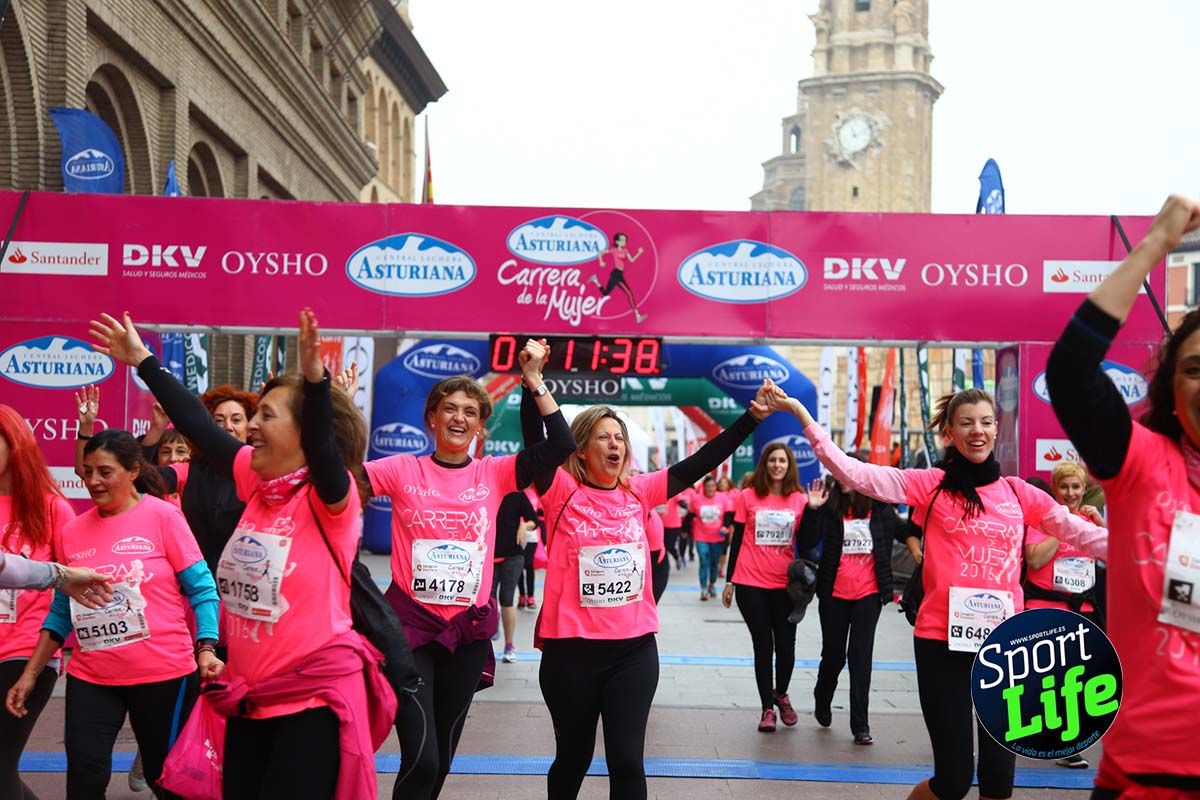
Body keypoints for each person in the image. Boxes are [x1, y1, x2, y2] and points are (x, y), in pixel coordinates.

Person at [91, 309, 396, 799]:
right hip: (248, 698)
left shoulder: (331, 499)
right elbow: (198, 425)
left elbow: (323, 446)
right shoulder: (255, 480)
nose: (251, 424)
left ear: (303, 432)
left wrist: (315, 383)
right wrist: (144, 361)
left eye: (266, 416)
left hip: (312, 704)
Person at [774, 384, 1103, 800]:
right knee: (953, 780)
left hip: (1007, 650)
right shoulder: (929, 485)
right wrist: (802, 414)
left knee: (1000, 783)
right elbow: (855, 473)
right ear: (950, 432)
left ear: (996, 428)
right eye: (966, 423)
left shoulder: (1020, 493)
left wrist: (1157, 548)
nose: (977, 431)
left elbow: (1081, 533)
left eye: (985, 422)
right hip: (941, 642)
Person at [523, 380, 777, 800]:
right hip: (571, 653)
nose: (614, 443)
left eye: (619, 436)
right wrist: (532, 381)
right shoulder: (560, 492)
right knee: (574, 758)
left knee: (627, 761)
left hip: (633, 652)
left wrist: (751, 419)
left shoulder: (639, 492)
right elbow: (536, 441)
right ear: (582, 449)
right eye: (603, 437)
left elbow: (701, 461)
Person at [367, 339, 573, 800]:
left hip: (468, 631)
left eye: (470, 412)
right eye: (449, 409)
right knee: (422, 756)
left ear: (481, 426)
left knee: (442, 753)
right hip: (411, 629)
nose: (459, 418)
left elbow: (562, 443)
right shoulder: (401, 469)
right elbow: (337, 489)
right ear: (432, 418)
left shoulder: (495, 473)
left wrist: (534, 380)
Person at [1046, 195, 1200, 798]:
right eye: (1194, 368)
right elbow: (1072, 375)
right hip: (1149, 772)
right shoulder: (1143, 463)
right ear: (1170, 384)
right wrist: (1157, 241)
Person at [5, 428, 222, 799]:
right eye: (87, 472)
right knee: (85, 779)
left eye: (104, 472)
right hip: (93, 678)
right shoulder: (74, 531)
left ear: (133, 471)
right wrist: (30, 674)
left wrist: (206, 646)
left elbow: (202, 589)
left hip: (164, 675)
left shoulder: (164, 517)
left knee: (165, 778)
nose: (93, 481)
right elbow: (61, 612)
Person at [0, 404, 85, 800]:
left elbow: (73, 584)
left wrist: (43, 662)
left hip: (25, 653)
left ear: (15, 446)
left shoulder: (52, 508)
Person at [800, 459, 900, 745]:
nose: (843, 478)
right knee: (834, 655)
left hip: (869, 594)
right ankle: (822, 697)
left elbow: (903, 532)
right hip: (833, 594)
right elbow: (807, 540)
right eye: (839, 473)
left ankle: (860, 725)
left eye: (848, 472)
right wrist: (812, 509)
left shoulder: (879, 509)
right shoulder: (830, 507)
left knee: (860, 658)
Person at [719, 443, 809, 733]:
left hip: (786, 585)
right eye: (772, 460)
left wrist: (816, 511)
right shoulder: (747, 496)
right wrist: (730, 580)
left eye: (782, 460)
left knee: (786, 648)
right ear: (765, 464)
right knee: (763, 646)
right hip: (749, 582)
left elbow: (808, 542)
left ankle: (780, 693)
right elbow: (738, 538)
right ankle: (767, 709)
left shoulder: (799, 499)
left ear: (789, 465)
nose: (777, 465)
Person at [493, 491, 537, 662]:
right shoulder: (486, 489)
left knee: (507, 599)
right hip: (488, 554)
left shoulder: (517, 495)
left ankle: (509, 646)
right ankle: (488, 636)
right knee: (487, 602)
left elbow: (534, 520)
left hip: (513, 554)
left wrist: (524, 526)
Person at [588, 232, 647, 323]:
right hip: (615, 274)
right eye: (622, 240)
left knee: (605, 293)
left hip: (619, 274)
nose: (624, 242)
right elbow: (600, 252)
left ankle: (595, 279)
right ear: (617, 241)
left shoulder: (626, 250)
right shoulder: (614, 250)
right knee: (629, 293)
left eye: (625, 240)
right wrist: (601, 262)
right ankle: (637, 316)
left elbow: (631, 260)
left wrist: (639, 253)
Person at [690, 476, 732, 601]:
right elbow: (690, 515)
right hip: (701, 536)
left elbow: (729, 515)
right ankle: (703, 589)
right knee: (703, 561)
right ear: (704, 487)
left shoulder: (722, 498)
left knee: (714, 564)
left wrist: (725, 526)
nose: (711, 488)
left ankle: (712, 584)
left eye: (713, 486)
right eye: (708, 486)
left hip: (717, 537)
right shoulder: (696, 499)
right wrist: (685, 531)